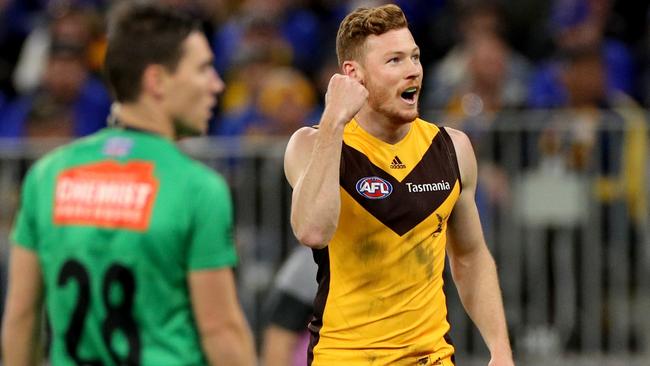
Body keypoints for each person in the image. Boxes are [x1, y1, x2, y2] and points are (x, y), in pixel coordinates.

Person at [1, 2, 256, 365]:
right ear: (157, 81)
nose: (217, 84)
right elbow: (221, 332)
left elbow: (21, 318)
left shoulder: (48, 175)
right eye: (203, 68)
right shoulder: (198, 188)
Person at [283, 4, 514, 365]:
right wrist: (333, 121)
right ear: (353, 75)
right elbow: (313, 230)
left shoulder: (452, 148)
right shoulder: (313, 145)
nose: (413, 72)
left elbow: (469, 256)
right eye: (394, 61)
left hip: (432, 358)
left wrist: (500, 350)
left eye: (415, 58)